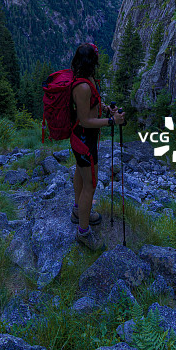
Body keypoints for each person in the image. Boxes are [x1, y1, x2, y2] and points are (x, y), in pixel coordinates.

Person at [69, 42, 125, 250]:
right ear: (92, 61)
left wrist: (106, 109)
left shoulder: (86, 79)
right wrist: (112, 122)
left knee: (80, 173)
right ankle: (83, 232)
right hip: (85, 140)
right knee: (90, 185)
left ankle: (77, 211)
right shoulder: (82, 86)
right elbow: (84, 120)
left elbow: (92, 104)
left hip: (82, 139)